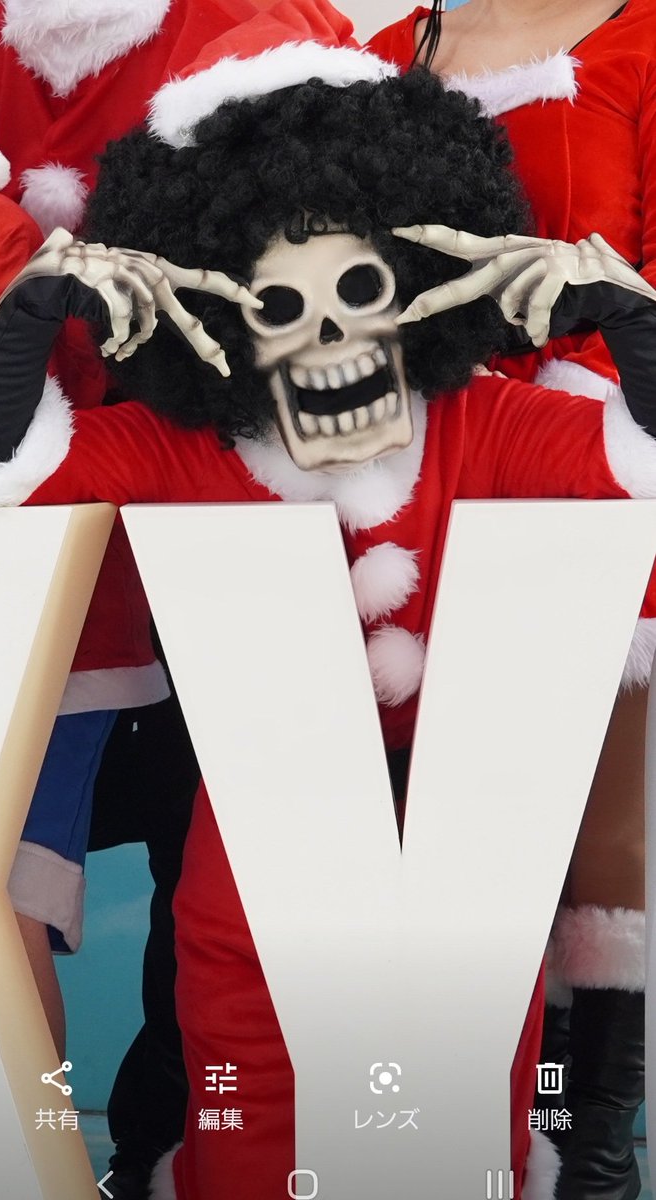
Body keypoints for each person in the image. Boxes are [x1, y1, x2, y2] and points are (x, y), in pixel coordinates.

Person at [0, 21, 656, 1194]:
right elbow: (1, 476)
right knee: (246, 1082)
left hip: (469, 854)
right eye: (277, 304)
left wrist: (631, 320)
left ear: (416, 287)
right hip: (251, 873)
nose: (328, 336)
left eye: (358, 289)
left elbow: (638, 459)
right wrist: (30, 318)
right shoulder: (180, 447)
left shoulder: (489, 422)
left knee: (465, 1108)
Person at [367, 5, 656, 1196]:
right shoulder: (387, 48)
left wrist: (576, 366)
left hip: (596, 461)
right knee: (451, 830)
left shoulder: (642, 40)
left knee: (597, 831)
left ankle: (593, 1149)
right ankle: (470, 1134)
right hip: (423, 478)